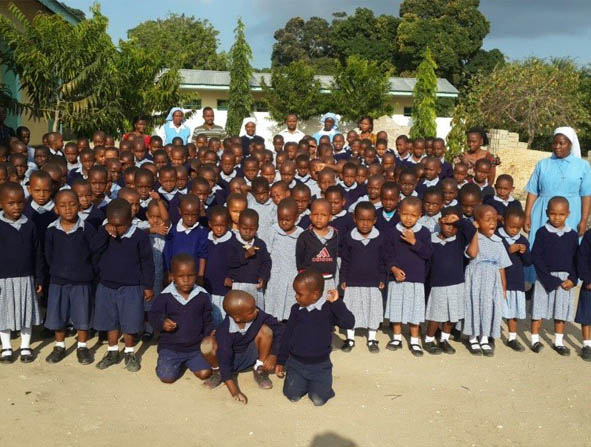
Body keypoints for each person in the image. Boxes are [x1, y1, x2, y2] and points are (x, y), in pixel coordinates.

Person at [93, 199, 155, 372]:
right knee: (110, 321)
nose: (116, 229)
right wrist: (104, 232)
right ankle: (112, 351)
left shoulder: (140, 236)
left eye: (120, 225)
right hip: (107, 285)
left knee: (130, 321)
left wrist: (148, 286)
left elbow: (147, 263)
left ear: (130, 221)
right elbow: (94, 249)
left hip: (131, 287)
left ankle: (129, 352)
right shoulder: (105, 233)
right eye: (112, 224)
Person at [276, 269, 354, 406]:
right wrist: (281, 361)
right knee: (292, 395)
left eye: (299, 294)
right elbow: (287, 335)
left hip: (320, 366)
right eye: (296, 293)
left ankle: (322, 386)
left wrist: (337, 303)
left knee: (318, 400)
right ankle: (303, 382)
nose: (296, 297)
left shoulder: (328, 309)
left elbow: (349, 322)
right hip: (296, 364)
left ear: (315, 294)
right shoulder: (296, 309)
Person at [524, 127, 591, 283]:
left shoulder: (582, 166)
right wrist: (527, 215)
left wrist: (583, 220)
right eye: (555, 143)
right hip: (543, 212)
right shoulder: (542, 164)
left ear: (571, 144)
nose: (557, 146)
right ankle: (536, 283)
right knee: (538, 247)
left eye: (562, 143)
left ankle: (566, 282)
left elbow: (586, 195)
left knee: (566, 249)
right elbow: (533, 191)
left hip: (570, 214)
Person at [200, 290, 283, 404]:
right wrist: (235, 392)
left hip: (249, 355)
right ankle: (218, 372)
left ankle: (259, 368)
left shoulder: (256, 313)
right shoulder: (224, 331)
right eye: (251, 311)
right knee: (207, 344)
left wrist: (274, 354)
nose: (256, 310)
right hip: (229, 361)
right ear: (237, 318)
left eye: (255, 307)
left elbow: (279, 329)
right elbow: (224, 360)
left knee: (266, 330)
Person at [44, 190, 96, 364]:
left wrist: (87, 273)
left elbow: (93, 254)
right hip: (58, 280)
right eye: (63, 205)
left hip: (81, 280)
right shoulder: (51, 230)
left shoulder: (87, 229)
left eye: (72, 204)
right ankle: (59, 345)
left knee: (82, 314)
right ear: (56, 209)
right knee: (58, 313)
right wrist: (58, 270)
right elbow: (49, 255)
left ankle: (82, 346)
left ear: (79, 206)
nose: (68, 209)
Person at [148, 253, 214, 384]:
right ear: (172, 276)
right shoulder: (165, 297)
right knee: (167, 378)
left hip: (195, 347)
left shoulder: (202, 296)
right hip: (171, 348)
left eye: (190, 275)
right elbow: (153, 316)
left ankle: (189, 362)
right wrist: (162, 323)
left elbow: (207, 320)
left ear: (196, 275)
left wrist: (210, 334)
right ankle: (168, 363)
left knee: (205, 373)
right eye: (181, 276)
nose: (186, 280)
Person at [0, 182, 43, 364]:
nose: (16, 207)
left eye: (20, 202)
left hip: (26, 278)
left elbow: (37, 253)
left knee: (26, 314)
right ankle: (7, 347)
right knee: (3, 314)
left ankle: (25, 346)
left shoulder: (29, 225)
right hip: (3, 280)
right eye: (11, 203)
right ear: (1, 203)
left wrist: (39, 277)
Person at [425, 207, 478, 354]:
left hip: (456, 285)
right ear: (440, 221)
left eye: (454, 225)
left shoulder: (459, 239)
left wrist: (459, 221)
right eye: (447, 224)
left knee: (451, 316)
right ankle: (429, 340)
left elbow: (471, 230)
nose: (450, 228)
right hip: (438, 285)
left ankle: (444, 340)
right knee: (436, 315)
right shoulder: (431, 239)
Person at [385, 197, 432, 356]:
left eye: (413, 215)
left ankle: (414, 341)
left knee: (414, 311)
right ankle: (397, 338)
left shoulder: (424, 233)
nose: (408, 218)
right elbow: (387, 255)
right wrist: (393, 269)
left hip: (416, 280)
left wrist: (414, 242)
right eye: (405, 214)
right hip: (397, 279)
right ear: (399, 213)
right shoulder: (392, 232)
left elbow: (428, 254)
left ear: (420, 215)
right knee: (396, 309)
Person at [530, 196, 578, 356]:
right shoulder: (542, 233)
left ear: (568, 214)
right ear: (546, 213)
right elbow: (536, 257)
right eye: (553, 214)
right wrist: (549, 279)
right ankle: (535, 340)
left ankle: (558, 342)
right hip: (545, 279)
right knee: (539, 309)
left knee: (560, 311)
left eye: (561, 214)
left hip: (565, 281)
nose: (557, 218)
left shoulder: (572, 235)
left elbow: (576, 259)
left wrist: (573, 279)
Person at [463, 205, 512, 356]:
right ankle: (472, 337)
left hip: (492, 282)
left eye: (494, 220)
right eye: (487, 219)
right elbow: (472, 254)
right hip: (476, 279)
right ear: (477, 223)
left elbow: (501, 266)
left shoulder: (498, 241)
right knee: (474, 306)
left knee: (489, 308)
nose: (492, 223)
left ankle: (484, 338)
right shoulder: (472, 238)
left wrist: (503, 287)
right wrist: (474, 232)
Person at [339, 202, 385, 353]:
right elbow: (345, 260)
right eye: (361, 219)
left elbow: (383, 261)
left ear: (375, 220)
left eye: (369, 220)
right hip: (353, 282)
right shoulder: (349, 238)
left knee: (373, 310)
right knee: (351, 310)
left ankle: (372, 339)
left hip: (373, 283)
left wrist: (382, 278)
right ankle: (350, 338)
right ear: (354, 219)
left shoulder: (380, 238)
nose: (365, 223)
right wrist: (343, 278)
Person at [496, 207, 532, 352]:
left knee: (513, 312)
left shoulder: (522, 240)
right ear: (503, 222)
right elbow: (494, 255)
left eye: (518, 228)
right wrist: (508, 250)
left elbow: (528, 262)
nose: (514, 230)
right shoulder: (497, 236)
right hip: (498, 280)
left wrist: (524, 252)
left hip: (516, 281)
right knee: (494, 309)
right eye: (511, 226)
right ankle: (489, 336)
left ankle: (512, 338)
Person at [264, 198, 303, 321]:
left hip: (292, 275)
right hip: (275, 275)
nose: (284, 222)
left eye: (288, 219)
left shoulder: (301, 234)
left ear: (296, 218)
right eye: (281, 219)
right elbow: (266, 253)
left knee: (289, 305)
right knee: (272, 304)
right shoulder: (273, 231)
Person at [227, 209, 271, 309]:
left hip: (255, 287)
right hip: (237, 285)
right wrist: (245, 255)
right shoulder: (232, 243)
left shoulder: (260, 244)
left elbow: (266, 262)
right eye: (244, 228)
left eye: (252, 229)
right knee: (237, 310)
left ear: (257, 228)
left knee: (254, 311)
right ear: (238, 226)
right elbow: (229, 261)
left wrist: (263, 277)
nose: (248, 232)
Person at [296, 199, 339, 293]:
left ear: (330, 217)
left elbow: (339, 260)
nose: (319, 218)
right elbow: (299, 260)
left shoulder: (336, 236)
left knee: (328, 302)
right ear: (310, 216)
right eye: (315, 214)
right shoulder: (304, 236)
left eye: (323, 215)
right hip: (310, 281)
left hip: (329, 281)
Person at [163, 195, 208, 284]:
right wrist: (168, 272)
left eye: (193, 215)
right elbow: (167, 253)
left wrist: (200, 275)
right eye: (186, 214)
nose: (190, 218)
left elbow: (203, 255)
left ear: (199, 212)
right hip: (175, 277)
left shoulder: (202, 232)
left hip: (194, 277)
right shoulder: (173, 231)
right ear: (180, 211)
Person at [576, 226, 591, 361]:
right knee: (586, 315)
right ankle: (587, 345)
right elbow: (581, 258)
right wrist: (587, 280)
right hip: (590, 284)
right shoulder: (589, 235)